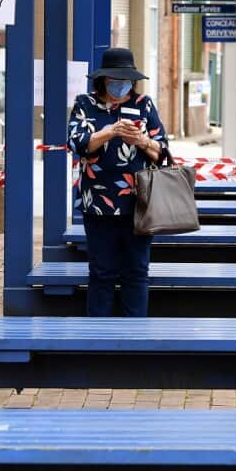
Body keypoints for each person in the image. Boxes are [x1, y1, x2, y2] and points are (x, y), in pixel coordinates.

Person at [67, 47, 170, 317]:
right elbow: (77, 143)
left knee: (136, 271)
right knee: (101, 272)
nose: (120, 85)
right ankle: (99, 332)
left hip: (139, 203)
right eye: (115, 79)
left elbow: (163, 152)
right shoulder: (85, 104)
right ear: (103, 79)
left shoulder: (144, 104)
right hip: (97, 203)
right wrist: (109, 132)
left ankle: (134, 332)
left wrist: (142, 140)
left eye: (126, 80)